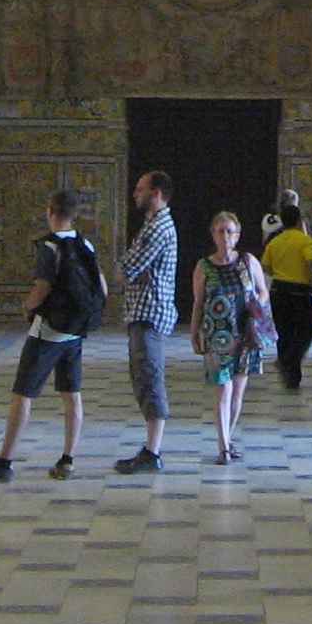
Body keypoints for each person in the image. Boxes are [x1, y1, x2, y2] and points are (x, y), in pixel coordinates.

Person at [0, 190, 105, 481]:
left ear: (50, 212)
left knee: (22, 395)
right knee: (72, 395)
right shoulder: (85, 244)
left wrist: (28, 307)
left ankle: (3, 463)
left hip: (48, 332)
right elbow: (101, 288)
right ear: (74, 215)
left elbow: (43, 287)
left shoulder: (50, 247)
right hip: (74, 333)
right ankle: (67, 460)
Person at [187, 210, 268, 462]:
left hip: (245, 332)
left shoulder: (248, 261)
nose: (225, 236)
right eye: (220, 231)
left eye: (229, 231)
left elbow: (263, 290)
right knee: (223, 389)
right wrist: (194, 333)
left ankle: (228, 438)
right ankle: (223, 446)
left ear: (237, 235)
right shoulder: (204, 267)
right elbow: (198, 302)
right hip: (217, 335)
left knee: (238, 392)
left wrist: (257, 308)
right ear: (213, 235)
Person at [112, 170, 178, 474]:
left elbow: (125, 270)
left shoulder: (157, 228)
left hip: (150, 313)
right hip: (143, 312)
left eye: (141, 189)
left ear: (157, 192)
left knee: (150, 378)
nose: (135, 194)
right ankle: (151, 448)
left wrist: (127, 272)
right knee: (143, 377)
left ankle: (153, 451)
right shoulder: (152, 226)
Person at [260, 194, 312, 390]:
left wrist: (280, 273)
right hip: (300, 291)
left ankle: (291, 377)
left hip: (278, 290)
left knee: (284, 332)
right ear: (299, 220)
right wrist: (311, 281)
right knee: (308, 328)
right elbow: (310, 262)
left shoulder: (274, 242)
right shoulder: (305, 241)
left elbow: (266, 267)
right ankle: (287, 361)